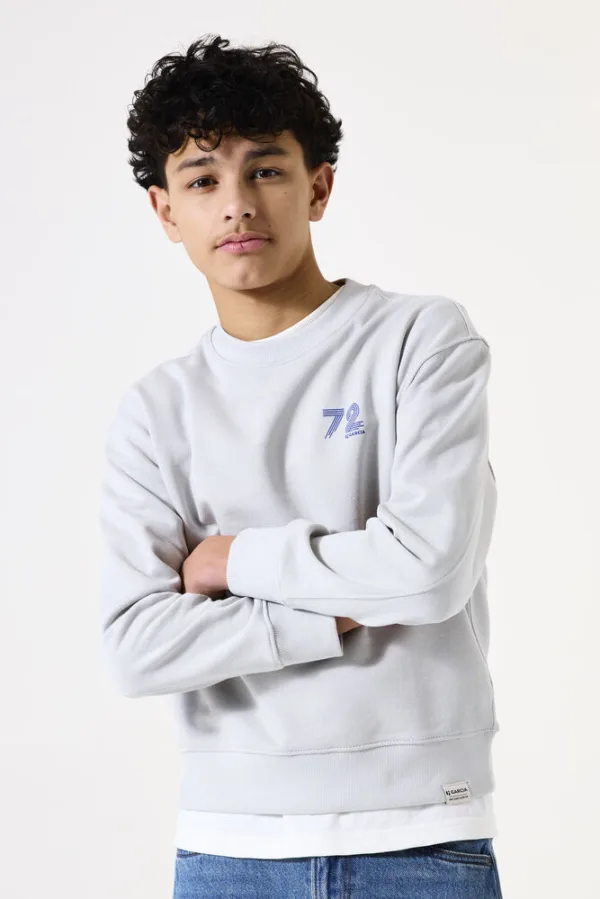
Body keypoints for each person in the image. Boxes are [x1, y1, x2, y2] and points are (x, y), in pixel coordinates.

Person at [97, 33, 504, 899]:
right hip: (228, 846)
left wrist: (230, 559)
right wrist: (345, 606)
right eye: (202, 179)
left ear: (317, 186)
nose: (237, 204)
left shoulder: (422, 340)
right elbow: (136, 645)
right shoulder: (156, 410)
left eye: (266, 169)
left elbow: (430, 570)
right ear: (165, 211)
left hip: (422, 836)